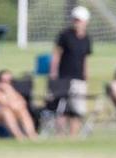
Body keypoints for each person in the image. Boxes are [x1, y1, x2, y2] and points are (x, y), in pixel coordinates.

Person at [50, 5, 93, 136]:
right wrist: (53, 72)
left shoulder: (86, 39)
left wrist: (86, 73)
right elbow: (57, 54)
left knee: (77, 109)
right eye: (75, 19)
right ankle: (60, 135)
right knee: (61, 108)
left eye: (79, 20)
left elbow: (85, 58)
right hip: (64, 77)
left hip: (79, 77)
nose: (77, 22)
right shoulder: (65, 35)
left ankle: (73, 136)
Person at [0, 70, 38, 141]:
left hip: (7, 114)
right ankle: (19, 137)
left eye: (9, 81)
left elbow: (23, 102)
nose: (6, 83)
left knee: (23, 111)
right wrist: (9, 90)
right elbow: (5, 103)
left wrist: (11, 91)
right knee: (5, 110)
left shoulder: (12, 90)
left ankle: (32, 135)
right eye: (3, 81)